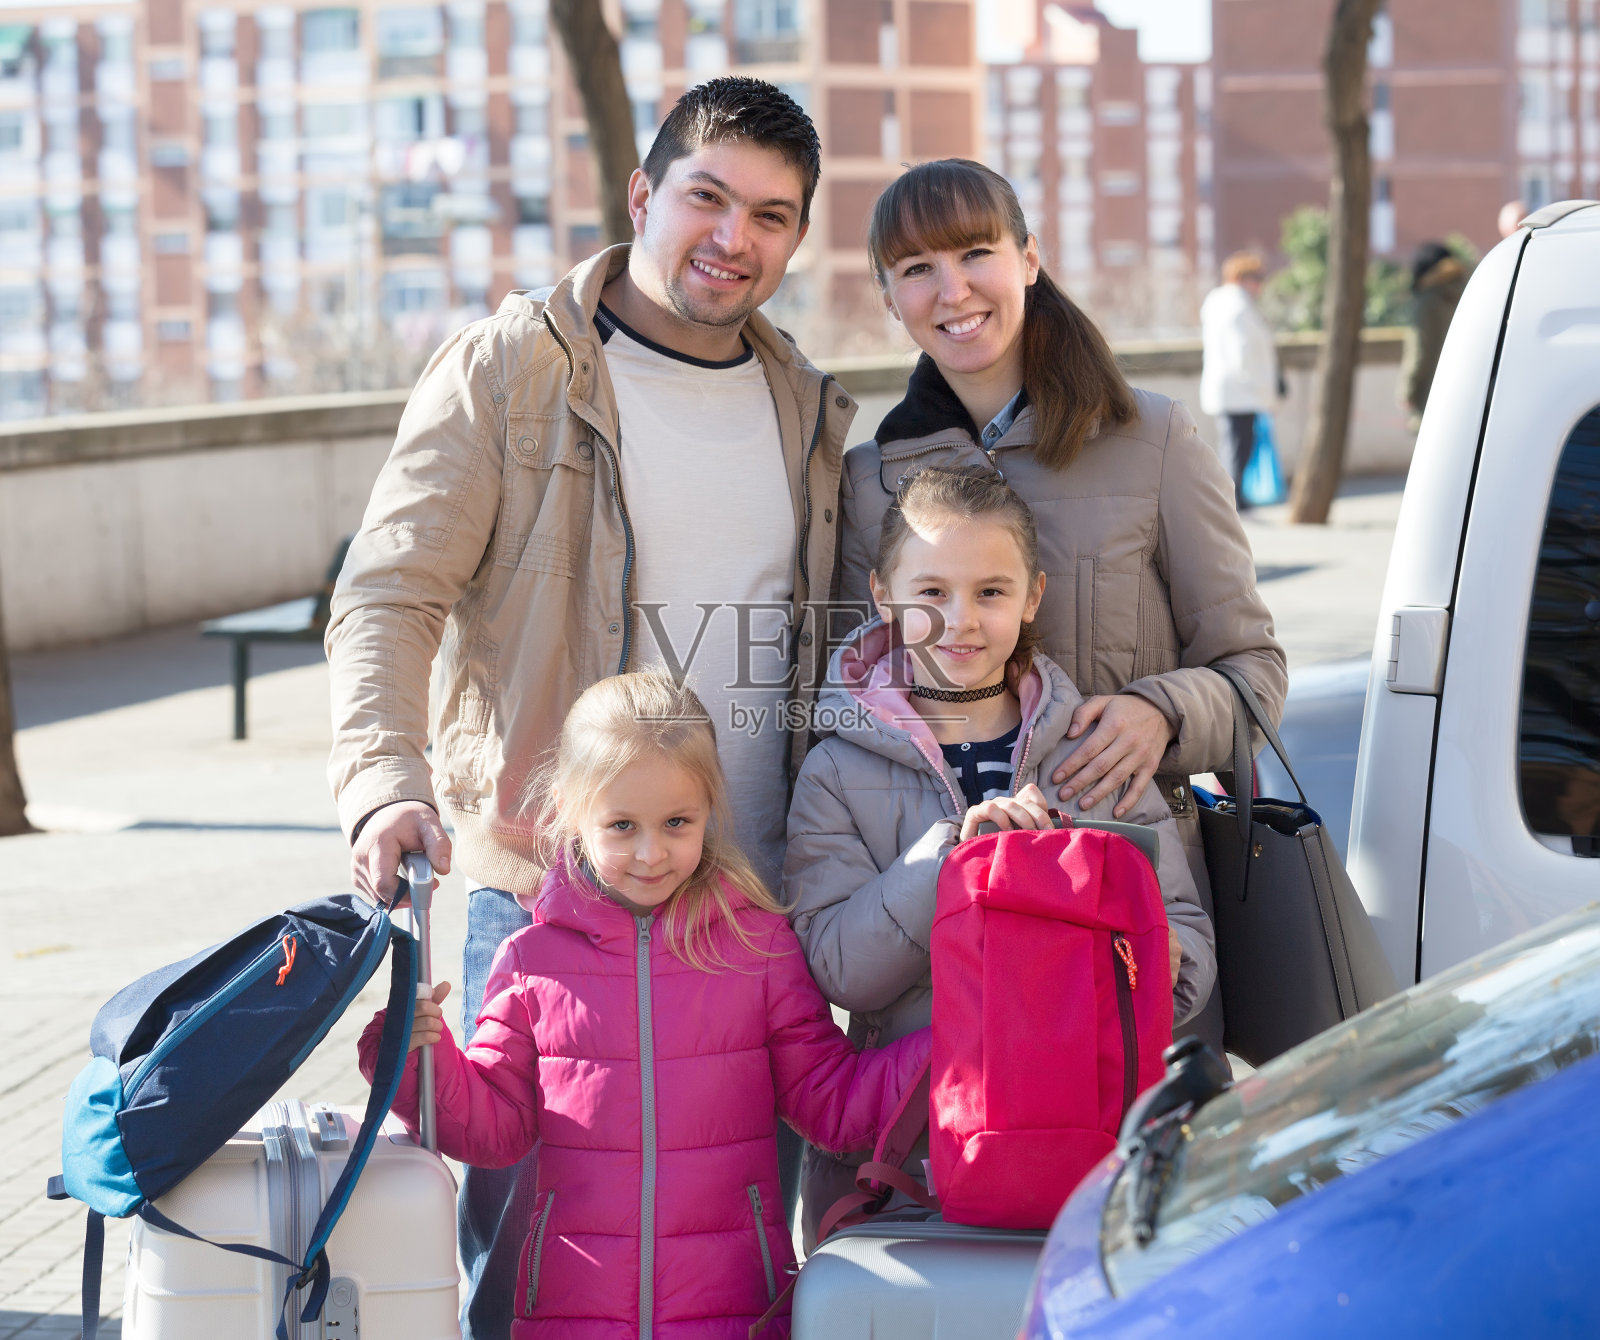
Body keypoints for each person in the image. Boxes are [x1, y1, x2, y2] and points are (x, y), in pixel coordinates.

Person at [326, 78, 854, 1340]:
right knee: (527, 1276)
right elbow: (388, 591)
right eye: (706, 197)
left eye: (771, 215)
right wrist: (382, 781)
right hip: (545, 894)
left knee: (733, 1269)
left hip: (746, 916)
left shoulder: (805, 403)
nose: (733, 237)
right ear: (641, 194)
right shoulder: (516, 367)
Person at [360, 672, 930, 1338]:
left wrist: (954, 1044)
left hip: (735, 1314)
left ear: (709, 808)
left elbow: (830, 1102)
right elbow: (494, 1126)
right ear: (572, 811)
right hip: (574, 1315)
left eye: (677, 823)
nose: (651, 853)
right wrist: (412, 1057)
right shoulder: (530, 960)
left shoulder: (758, 946)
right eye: (622, 825)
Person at [785, 467, 1216, 1242]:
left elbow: (1187, 956)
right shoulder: (836, 770)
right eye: (931, 593)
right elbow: (839, 972)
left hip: (1088, 1157)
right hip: (904, 1164)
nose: (961, 620)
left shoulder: (1091, 753)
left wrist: (1111, 931)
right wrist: (953, 864)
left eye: (991, 591)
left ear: (1033, 596)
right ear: (884, 597)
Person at [834, 158, 1285, 881]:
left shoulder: (1155, 441)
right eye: (917, 268)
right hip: (946, 901)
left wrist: (1163, 713)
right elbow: (852, 712)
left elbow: (1254, 674)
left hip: (1134, 892)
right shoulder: (867, 482)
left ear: (1029, 259)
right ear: (889, 297)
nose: (953, 290)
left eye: (975, 253)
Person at [1199, 250, 1280, 510]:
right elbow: (1243, 353)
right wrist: (1264, 390)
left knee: (1235, 444)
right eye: (1257, 278)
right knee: (1238, 446)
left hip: (1230, 389)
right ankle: (1232, 500)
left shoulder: (1218, 302)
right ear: (1242, 278)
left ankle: (1234, 498)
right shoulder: (1239, 306)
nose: (1260, 285)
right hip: (1242, 390)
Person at [1401, 239, 1471, 431]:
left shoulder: (1427, 302)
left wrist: (1408, 391)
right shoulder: (1469, 290)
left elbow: (1419, 351)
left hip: (1432, 394)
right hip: (1468, 392)